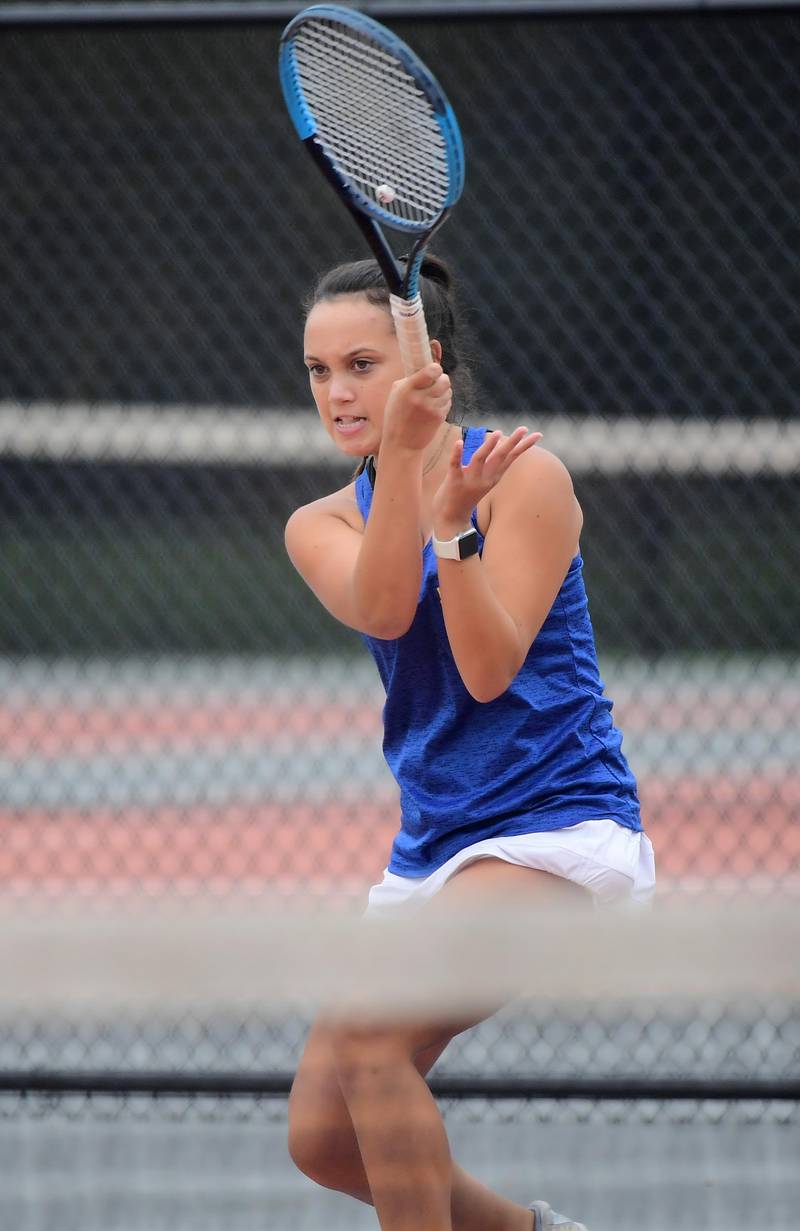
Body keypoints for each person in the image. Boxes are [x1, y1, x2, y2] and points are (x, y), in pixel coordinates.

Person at [284, 254, 655, 1231]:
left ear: (422, 361)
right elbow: (384, 601)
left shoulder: (525, 476)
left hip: (554, 826)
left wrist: (456, 529)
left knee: (373, 1042)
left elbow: (488, 671)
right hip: (433, 847)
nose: (336, 391)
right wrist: (414, 486)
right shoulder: (317, 521)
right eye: (318, 371)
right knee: (322, 1140)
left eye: (359, 363)